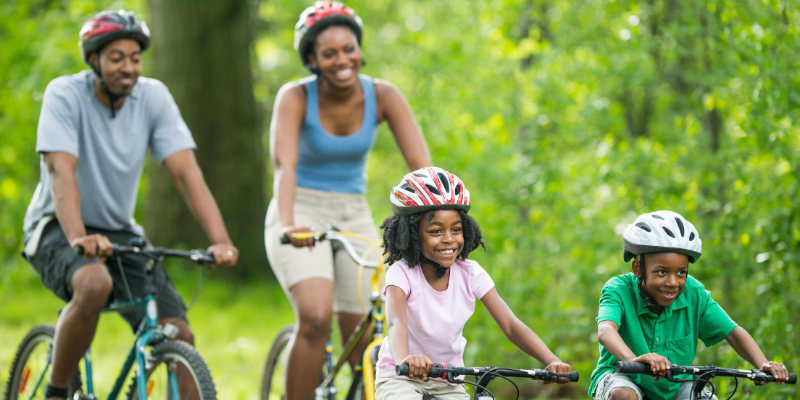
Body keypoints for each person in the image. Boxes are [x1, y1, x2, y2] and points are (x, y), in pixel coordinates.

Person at [21, 10, 238, 400]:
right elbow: (60, 170)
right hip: (56, 224)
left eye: (135, 58)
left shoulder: (153, 97)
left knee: (178, 333)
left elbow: (187, 174)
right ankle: (56, 392)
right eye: (116, 57)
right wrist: (78, 236)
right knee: (93, 282)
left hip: (119, 231)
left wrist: (220, 240)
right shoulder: (64, 93)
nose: (128, 67)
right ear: (94, 61)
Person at [265, 1, 431, 398]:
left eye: (349, 48)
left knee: (369, 330)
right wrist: (288, 224)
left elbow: (422, 169)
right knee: (316, 316)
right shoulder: (295, 97)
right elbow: (284, 167)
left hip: (352, 211)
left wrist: (434, 221)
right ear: (311, 59)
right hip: (300, 209)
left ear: (359, 48)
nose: (343, 60)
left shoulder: (383, 95)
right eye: (329, 53)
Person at [374, 167, 574, 399]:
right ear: (411, 235)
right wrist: (405, 360)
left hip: (448, 379)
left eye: (456, 229)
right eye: (436, 231)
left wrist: (551, 360)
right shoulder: (401, 273)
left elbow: (510, 324)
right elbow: (397, 322)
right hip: (401, 376)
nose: (449, 238)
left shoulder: (470, 273)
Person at [590, 211, 790, 400]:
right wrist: (632, 359)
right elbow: (606, 330)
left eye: (681, 273)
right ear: (638, 269)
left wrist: (763, 364)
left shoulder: (694, 293)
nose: (673, 282)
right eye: (661, 272)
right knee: (623, 395)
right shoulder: (618, 289)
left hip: (674, 385)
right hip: (622, 377)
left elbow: (732, 332)